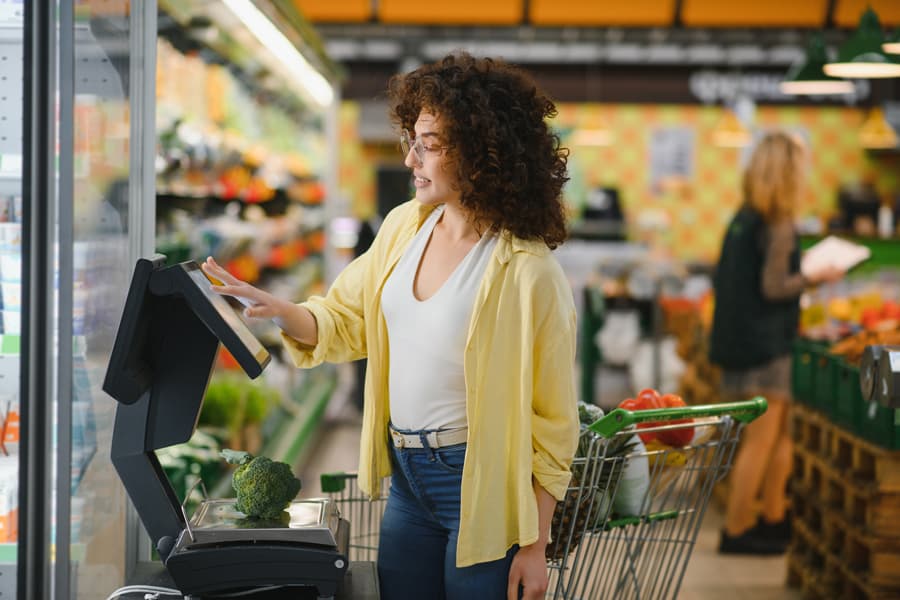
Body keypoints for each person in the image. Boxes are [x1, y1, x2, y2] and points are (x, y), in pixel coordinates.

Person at [202, 52, 579, 600]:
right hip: (406, 481)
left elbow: (553, 425)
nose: (410, 159)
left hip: (480, 483)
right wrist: (282, 310)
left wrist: (534, 545)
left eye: (428, 143)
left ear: (480, 150)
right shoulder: (405, 228)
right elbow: (347, 318)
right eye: (411, 139)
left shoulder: (528, 270)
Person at [709, 131, 844, 555]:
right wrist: (816, 276)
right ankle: (737, 528)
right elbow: (773, 286)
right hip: (767, 347)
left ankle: (772, 517)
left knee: (779, 434)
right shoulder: (779, 223)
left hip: (737, 342)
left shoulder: (743, 218)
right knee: (763, 440)